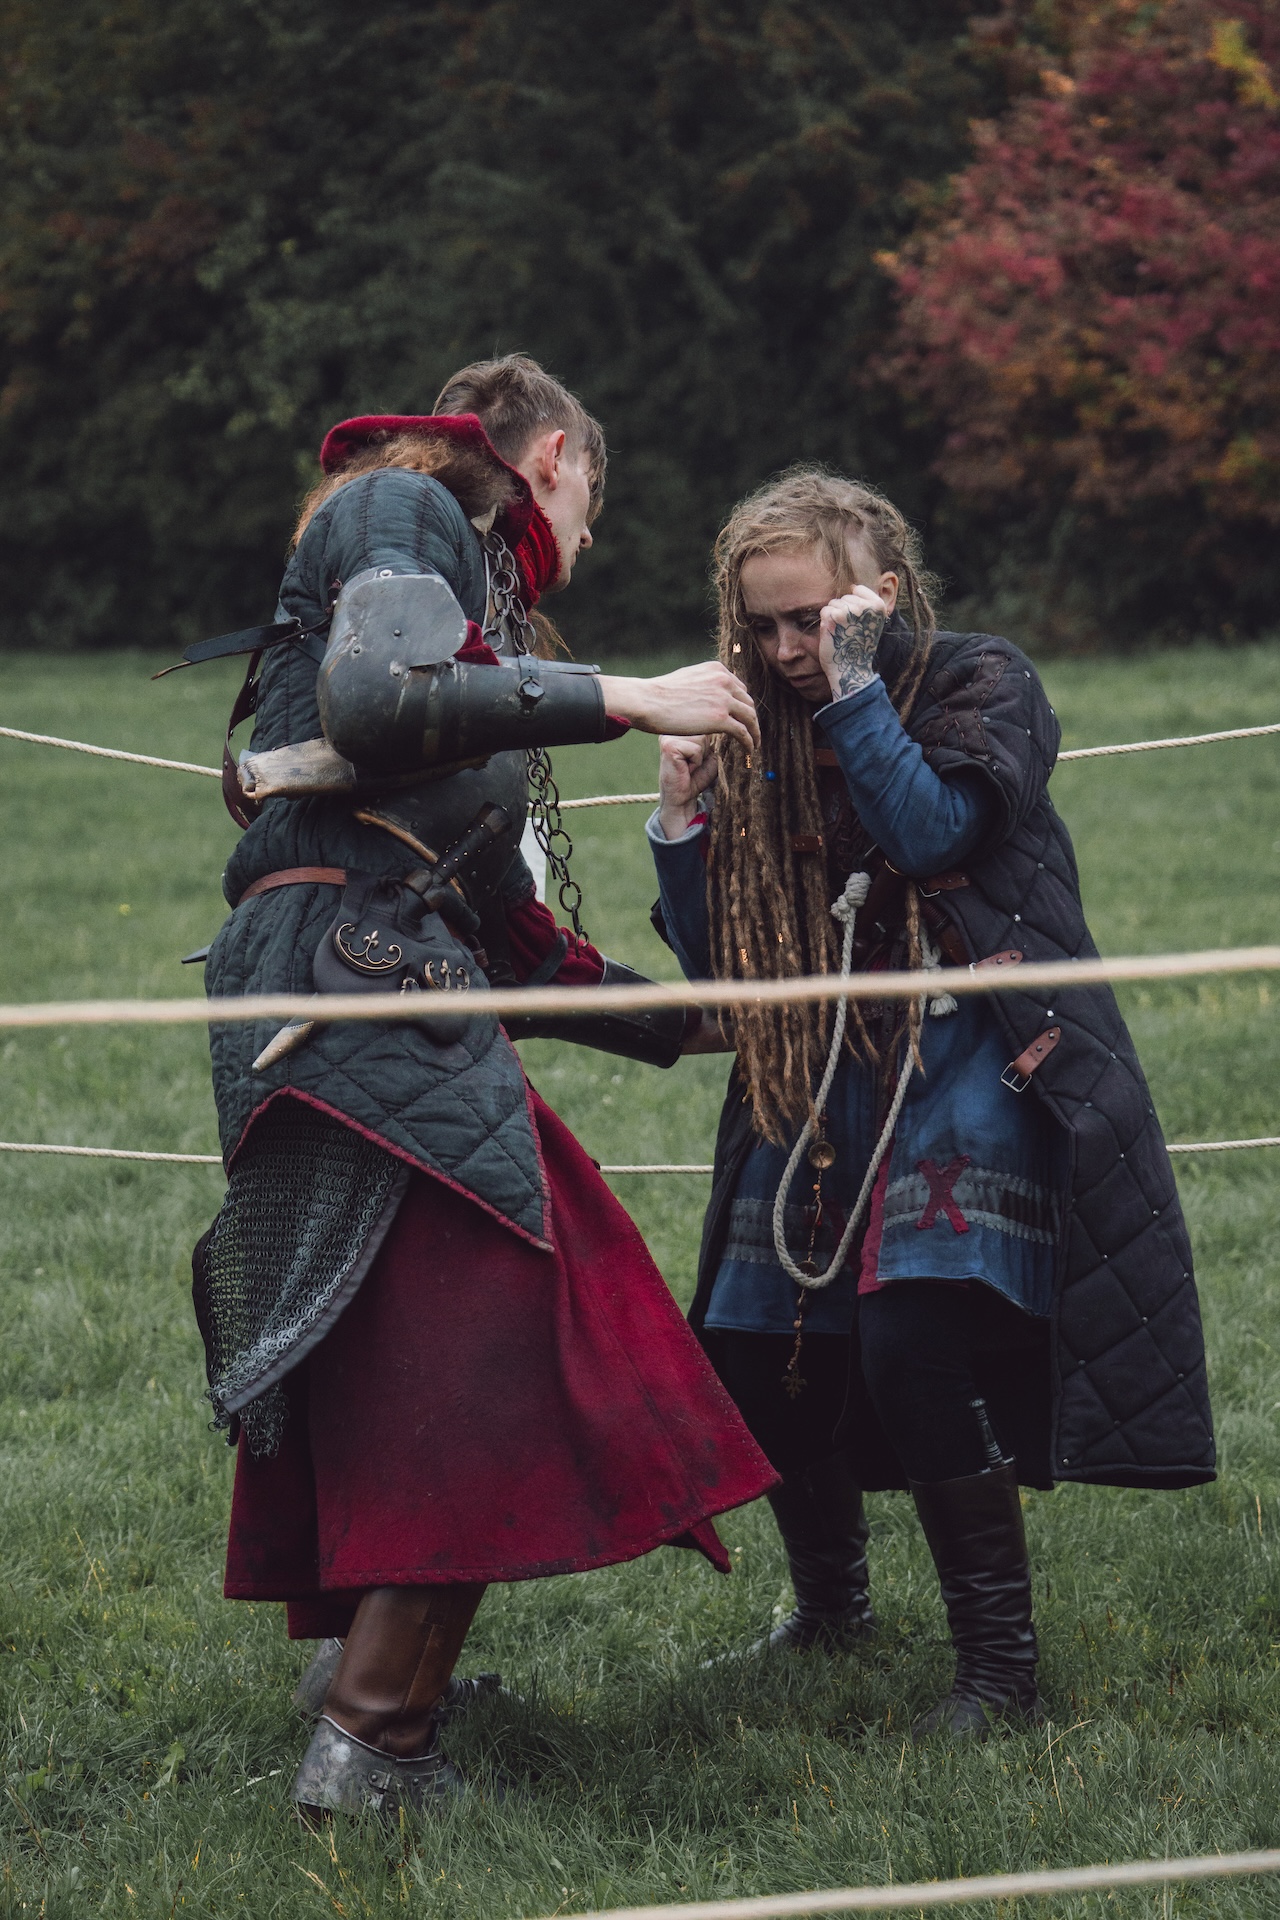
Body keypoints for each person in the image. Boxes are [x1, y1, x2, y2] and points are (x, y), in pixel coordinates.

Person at [189, 355, 776, 1820]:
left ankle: (370, 1683)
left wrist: (741, 1025)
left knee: (401, 1346)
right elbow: (374, 697)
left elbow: (523, 949)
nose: (583, 538)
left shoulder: (466, 619)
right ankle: (375, 1743)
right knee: (509, 1333)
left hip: (366, 972)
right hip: (353, 981)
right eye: (590, 506)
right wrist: (626, 696)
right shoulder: (400, 506)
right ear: (554, 458)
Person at [649, 467, 1215, 1736]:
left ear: (880, 595)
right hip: (821, 1069)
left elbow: (926, 835)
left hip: (976, 1055)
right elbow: (727, 971)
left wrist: (855, 691)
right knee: (752, 1336)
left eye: (810, 620)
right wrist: (679, 823)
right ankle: (829, 1609)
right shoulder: (753, 724)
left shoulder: (983, 681)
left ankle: (998, 1674)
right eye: (761, 627)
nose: (784, 651)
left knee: (911, 1336)